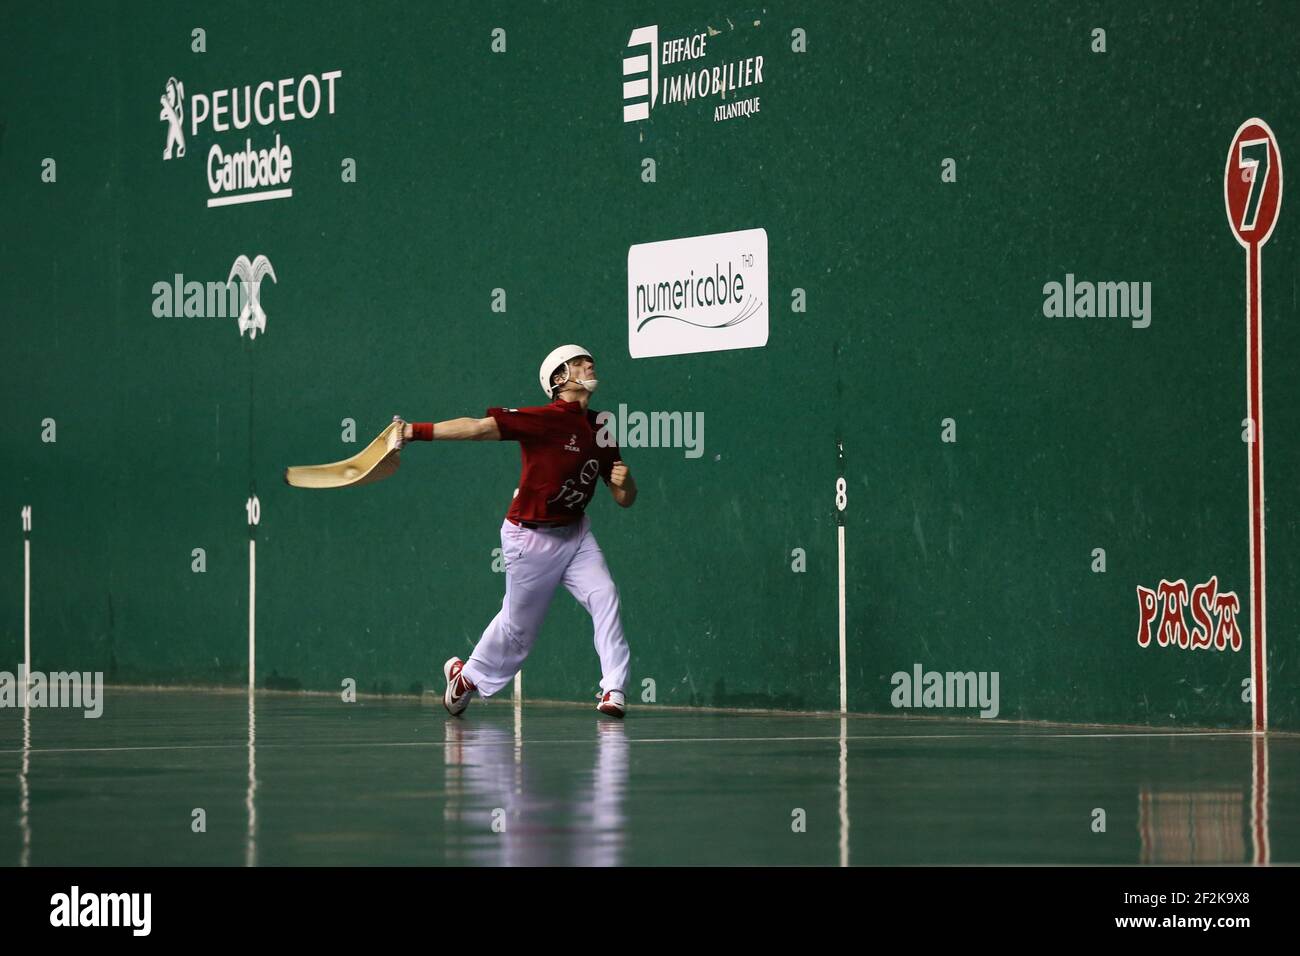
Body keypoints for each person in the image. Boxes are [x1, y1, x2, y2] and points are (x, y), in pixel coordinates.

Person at [395, 345, 636, 719]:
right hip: (530, 537)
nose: (589, 364)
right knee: (518, 632)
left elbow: (624, 498)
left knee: (605, 596)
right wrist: (413, 431)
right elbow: (477, 428)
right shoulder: (542, 419)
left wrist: (625, 482)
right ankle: (466, 677)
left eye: (589, 360)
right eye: (578, 363)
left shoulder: (602, 425)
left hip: (575, 534)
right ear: (560, 379)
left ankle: (614, 690)